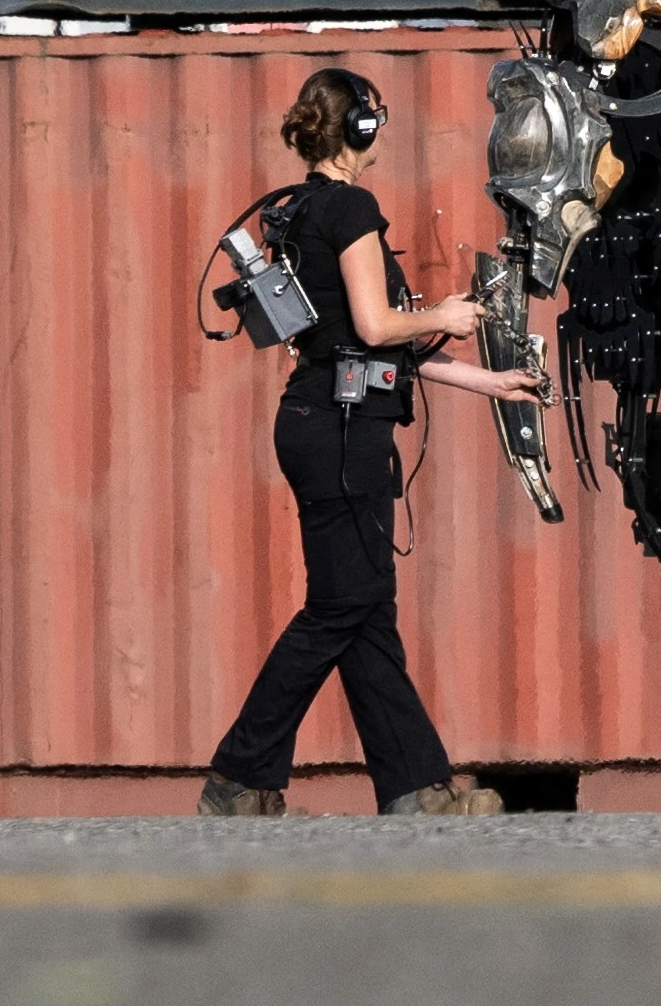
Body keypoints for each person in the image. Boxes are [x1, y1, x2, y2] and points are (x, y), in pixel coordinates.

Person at [202, 62, 524, 817]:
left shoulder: (302, 210)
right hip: (341, 431)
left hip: (328, 420)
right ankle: (238, 774)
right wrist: (445, 312)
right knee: (342, 606)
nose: (382, 127)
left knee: (365, 607)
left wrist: (492, 384)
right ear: (359, 127)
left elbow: (372, 345)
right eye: (376, 115)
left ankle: (416, 789)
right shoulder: (350, 207)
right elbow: (381, 327)